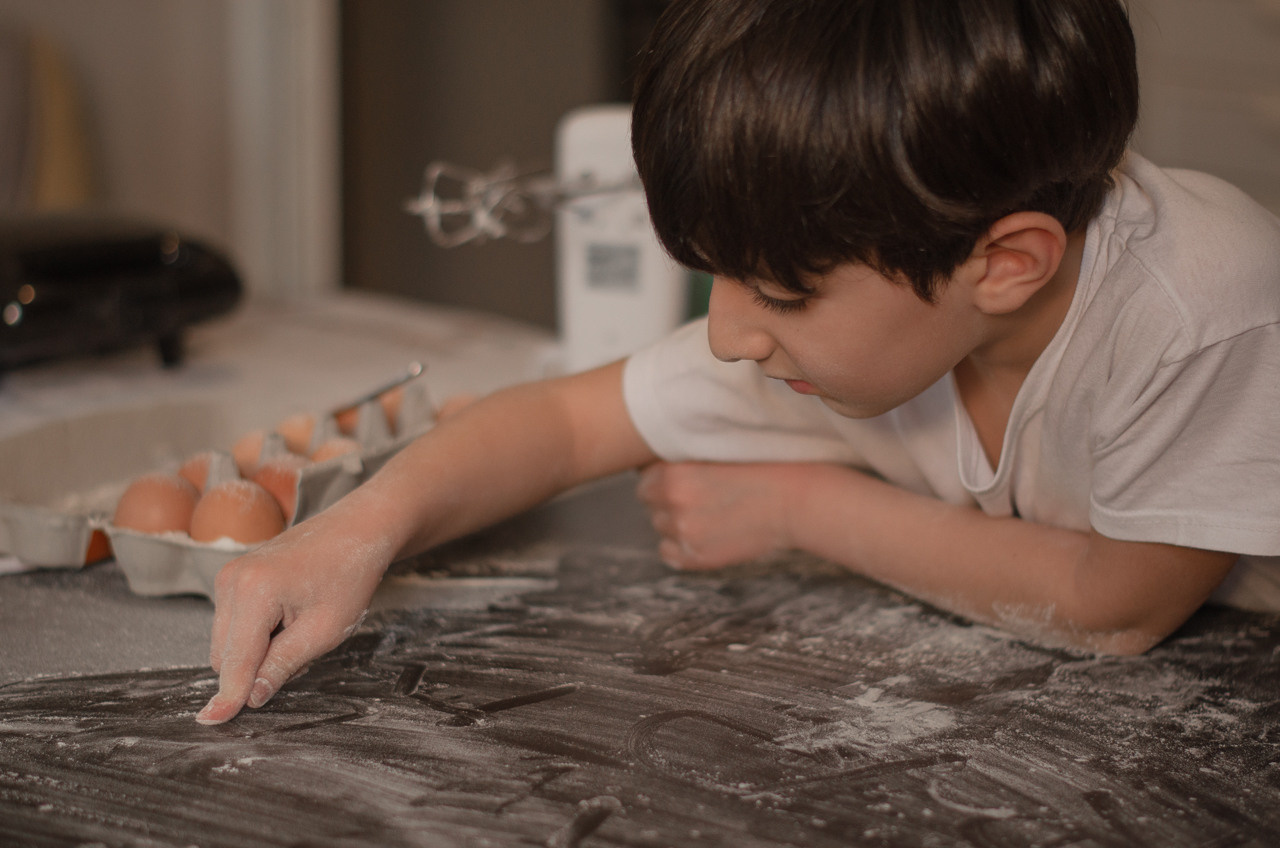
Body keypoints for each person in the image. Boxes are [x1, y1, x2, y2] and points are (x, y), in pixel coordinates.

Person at [196, 0, 1280, 725]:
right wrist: (354, 528)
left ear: (1002, 262)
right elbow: (568, 423)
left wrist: (797, 507)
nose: (727, 334)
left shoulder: (1201, 309)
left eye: (778, 290)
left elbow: (1115, 603)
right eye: (717, 275)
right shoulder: (867, 297)